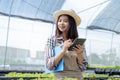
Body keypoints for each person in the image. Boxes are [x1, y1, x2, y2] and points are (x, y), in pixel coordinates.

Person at [45, 9, 88, 80]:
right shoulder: (52, 40)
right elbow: (49, 66)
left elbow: (83, 67)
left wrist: (79, 53)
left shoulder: (78, 42)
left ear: (71, 24)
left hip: (77, 77)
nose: (61, 23)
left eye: (65, 21)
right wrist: (63, 50)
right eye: (60, 20)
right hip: (59, 77)